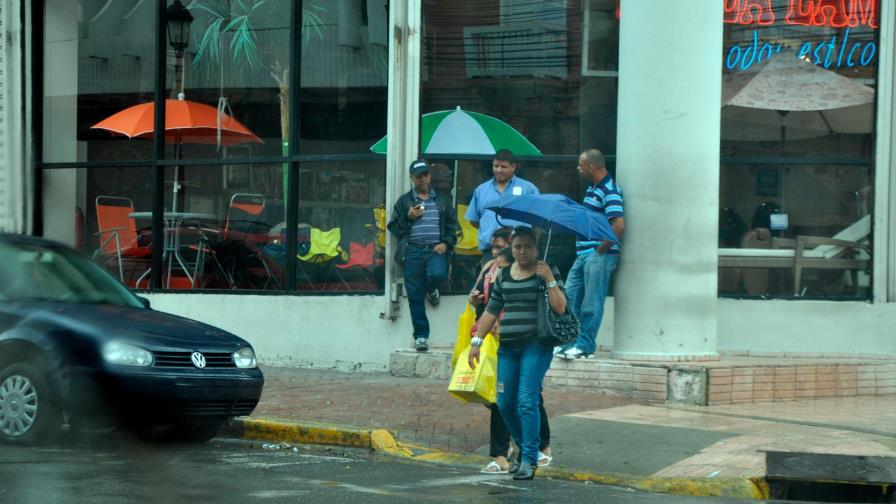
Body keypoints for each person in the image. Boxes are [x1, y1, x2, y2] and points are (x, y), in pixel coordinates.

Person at [469, 227, 566, 480]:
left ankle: (529, 460)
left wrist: (549, 280)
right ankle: (526, 449)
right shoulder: (504, 275)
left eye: (527, 247)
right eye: (518, 247)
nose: (523, 251)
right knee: (504, 403)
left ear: (535, 248)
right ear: (511, 249)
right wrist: (476, 341)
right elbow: (492, 310)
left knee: (526, 401)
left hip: (536, 345)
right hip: (508, 348)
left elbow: (560, 307)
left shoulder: (547, 269)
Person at [557, 148, 625, 360]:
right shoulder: (592, 189)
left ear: (592, 166)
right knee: (570, 297)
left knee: (591, 303)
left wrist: (599, 251)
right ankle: (569, 343)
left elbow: (619, 225)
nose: (578, 168)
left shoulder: (610, 191)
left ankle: (585, 346)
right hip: (584, 253)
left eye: (580, 164)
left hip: (599, 255)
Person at [387, 159, 459, 352]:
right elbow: (394, 228)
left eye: (426, 175)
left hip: (435, 249)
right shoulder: (405, 201)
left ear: (430, 176)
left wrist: (446, 243)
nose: (423, 179)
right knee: (414, 295)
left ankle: (431, 288)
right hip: (413, 250)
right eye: (418, 176)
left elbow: (454, 227)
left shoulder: (442, 200)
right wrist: (407, 217)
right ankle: (421, 336)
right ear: (412, 178)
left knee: (438, 275)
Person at [465, 149, 539, 261]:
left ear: (513, 167)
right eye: (496, 166)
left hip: (520, 252)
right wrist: (491, 228)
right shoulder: (481, 190)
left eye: (503, 167)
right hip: (491, 251)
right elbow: (474, 221)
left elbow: (537, 220)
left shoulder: (528, 189)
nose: (499, 170)